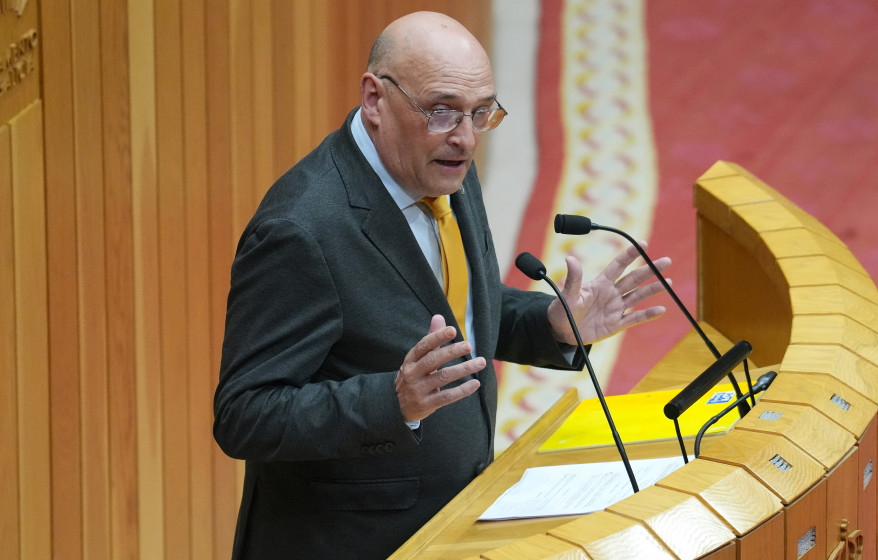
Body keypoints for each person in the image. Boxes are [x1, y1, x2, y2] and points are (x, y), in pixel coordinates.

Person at [213, 11, 672, 560]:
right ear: (375, 99)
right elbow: (245, 415)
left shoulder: (443, 163)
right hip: (354, 541)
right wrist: (393, 400)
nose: (466, 136)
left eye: (482, 113)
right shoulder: (301, 230)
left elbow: (447, 310)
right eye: (442, 111)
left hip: (453, 519)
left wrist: (550, 323)